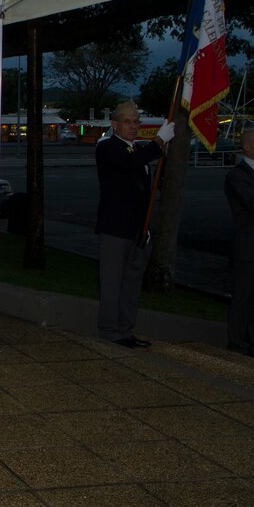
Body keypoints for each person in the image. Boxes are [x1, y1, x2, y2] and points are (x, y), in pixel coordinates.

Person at [94, 100, 175, 348]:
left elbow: (145, 188)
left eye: (136, 121)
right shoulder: (108, 147)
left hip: (138, 229)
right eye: (127, 121)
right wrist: (159, 142)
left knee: (131, 284)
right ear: (115, 124)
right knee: (112, 283)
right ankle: (110, 331)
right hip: (116, 228)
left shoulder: (137, 149)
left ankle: (125, 330)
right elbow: (129, 163)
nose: (133, 126)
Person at [224, 127, 254, 359]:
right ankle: (237, 342)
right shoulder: (237, 176)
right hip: (248, 248)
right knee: (243, 297)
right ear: (247, 146)